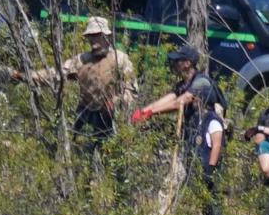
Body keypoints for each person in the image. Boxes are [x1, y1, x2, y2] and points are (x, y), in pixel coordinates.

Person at [18, 16, 136, 147]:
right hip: (86, 115)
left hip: (112, 117)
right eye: (91, 36)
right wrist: (26, 76)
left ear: (106, 36)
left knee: (110, 151)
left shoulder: (120, 59)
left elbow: (131, 89)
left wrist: (117, 102)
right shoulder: (81, 60)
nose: (93, 40)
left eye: (97, 35)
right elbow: (55, 74)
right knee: (78, 149)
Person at [130, 44, 223, 139]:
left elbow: (179, 103)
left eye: (177, 61)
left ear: (187, 63)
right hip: (193, 134)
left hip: (208, 135)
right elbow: (166, 100)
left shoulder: (201, 82)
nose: (174, 64)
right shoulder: (183, 85)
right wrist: (142, 112)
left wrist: (151, 112)